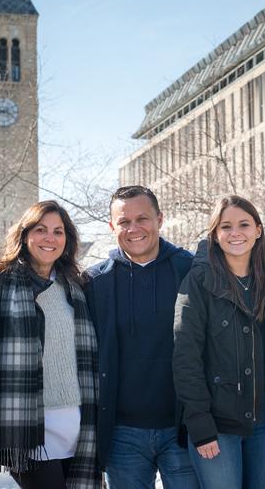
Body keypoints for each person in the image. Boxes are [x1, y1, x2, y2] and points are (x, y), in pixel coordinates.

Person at [83, 186, 199, 489]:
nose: (134, 228)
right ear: (112, 226)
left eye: (142, 218)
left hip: (182, 428)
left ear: (160, 219)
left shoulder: (190, 269)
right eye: (124, 222)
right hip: (123, 433)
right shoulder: (96, 282)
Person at [173, 195, 265, 489]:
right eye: (225, 226)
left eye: (243, 224)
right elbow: (186, 357)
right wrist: (200, 424)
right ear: (214, 234)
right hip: (217, 419)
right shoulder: (198, 282)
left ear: (259, 230)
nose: (235, 233)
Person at [0, 200, 100, 489]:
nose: (50, 238)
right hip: (29, 425)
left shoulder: (76, 287)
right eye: (41, 230)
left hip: (78, 424)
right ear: (25, 235)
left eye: (58, 231)